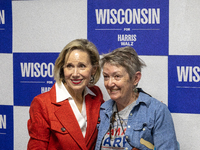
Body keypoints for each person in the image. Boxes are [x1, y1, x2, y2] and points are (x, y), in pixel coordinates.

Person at [95, 46, 179, 150]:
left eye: (117, 76)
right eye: (106, 76)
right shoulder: (103, 110)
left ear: (135, 78)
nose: (110, 83)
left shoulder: (157, 111)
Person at [27, 39, 104, 150]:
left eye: (82, 66)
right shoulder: (42, 103)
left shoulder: (96, 95)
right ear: (62, 69)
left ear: (93, 69)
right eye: (69, 66)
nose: (75, 74)